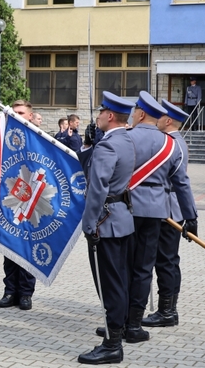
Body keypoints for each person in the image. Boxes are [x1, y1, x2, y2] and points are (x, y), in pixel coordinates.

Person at [95, 91, 199, 343]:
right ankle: (134, 326)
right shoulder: (171, 144)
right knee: (143, 270)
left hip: (126, 209)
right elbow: (182, 183)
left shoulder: (126, 137)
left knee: (123, 269)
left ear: (140, 113)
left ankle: (117, 324)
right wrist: (190, 215)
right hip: (156, 212)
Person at [76, 92, 136, 365]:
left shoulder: (107, 146)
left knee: (109, 284)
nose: (97, 116)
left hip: (105, 224)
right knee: (121, 280)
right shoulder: (126, 140)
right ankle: (118, 330)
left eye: (101, 112)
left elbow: (97, 187)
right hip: (122, 218)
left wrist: (89, 224)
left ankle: (112, 345)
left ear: (110, 116)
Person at [141, 100, 190, 328]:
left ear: (168, 120)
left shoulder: (172, 144)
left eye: (160, 117)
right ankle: (167, 309)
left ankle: (167, 311)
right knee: (167, 261)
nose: (156, 120)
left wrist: (192, 216)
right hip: (169, 208)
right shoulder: (175, 141)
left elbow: (182, 183)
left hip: (167, 210)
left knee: (166, 262)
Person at [0, 100, 37, 311]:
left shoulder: (39, 139)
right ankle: (10, 291)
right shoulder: (5, 137)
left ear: (30, 116)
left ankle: (26, 293)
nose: (17, 115)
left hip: (32, 203)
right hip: (10, 200)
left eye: (21, 112)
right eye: (14, 112)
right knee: (9, 247)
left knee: (27, 249)